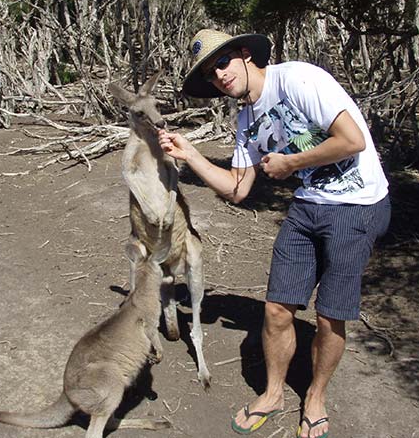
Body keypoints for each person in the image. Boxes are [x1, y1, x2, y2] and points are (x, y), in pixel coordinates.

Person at [158, 29, 391, 438]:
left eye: (222, 63)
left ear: (245, 54)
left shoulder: (298, 79)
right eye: (211, 75)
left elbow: (352, 140)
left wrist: (290, 163)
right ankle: (273, 393)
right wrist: (189, 153)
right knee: (276, 309)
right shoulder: (246, 120)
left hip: (358, 205)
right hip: (308, 205)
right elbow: (236, 188)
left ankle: (315, 397)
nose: (219, 76)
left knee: (329, 314)